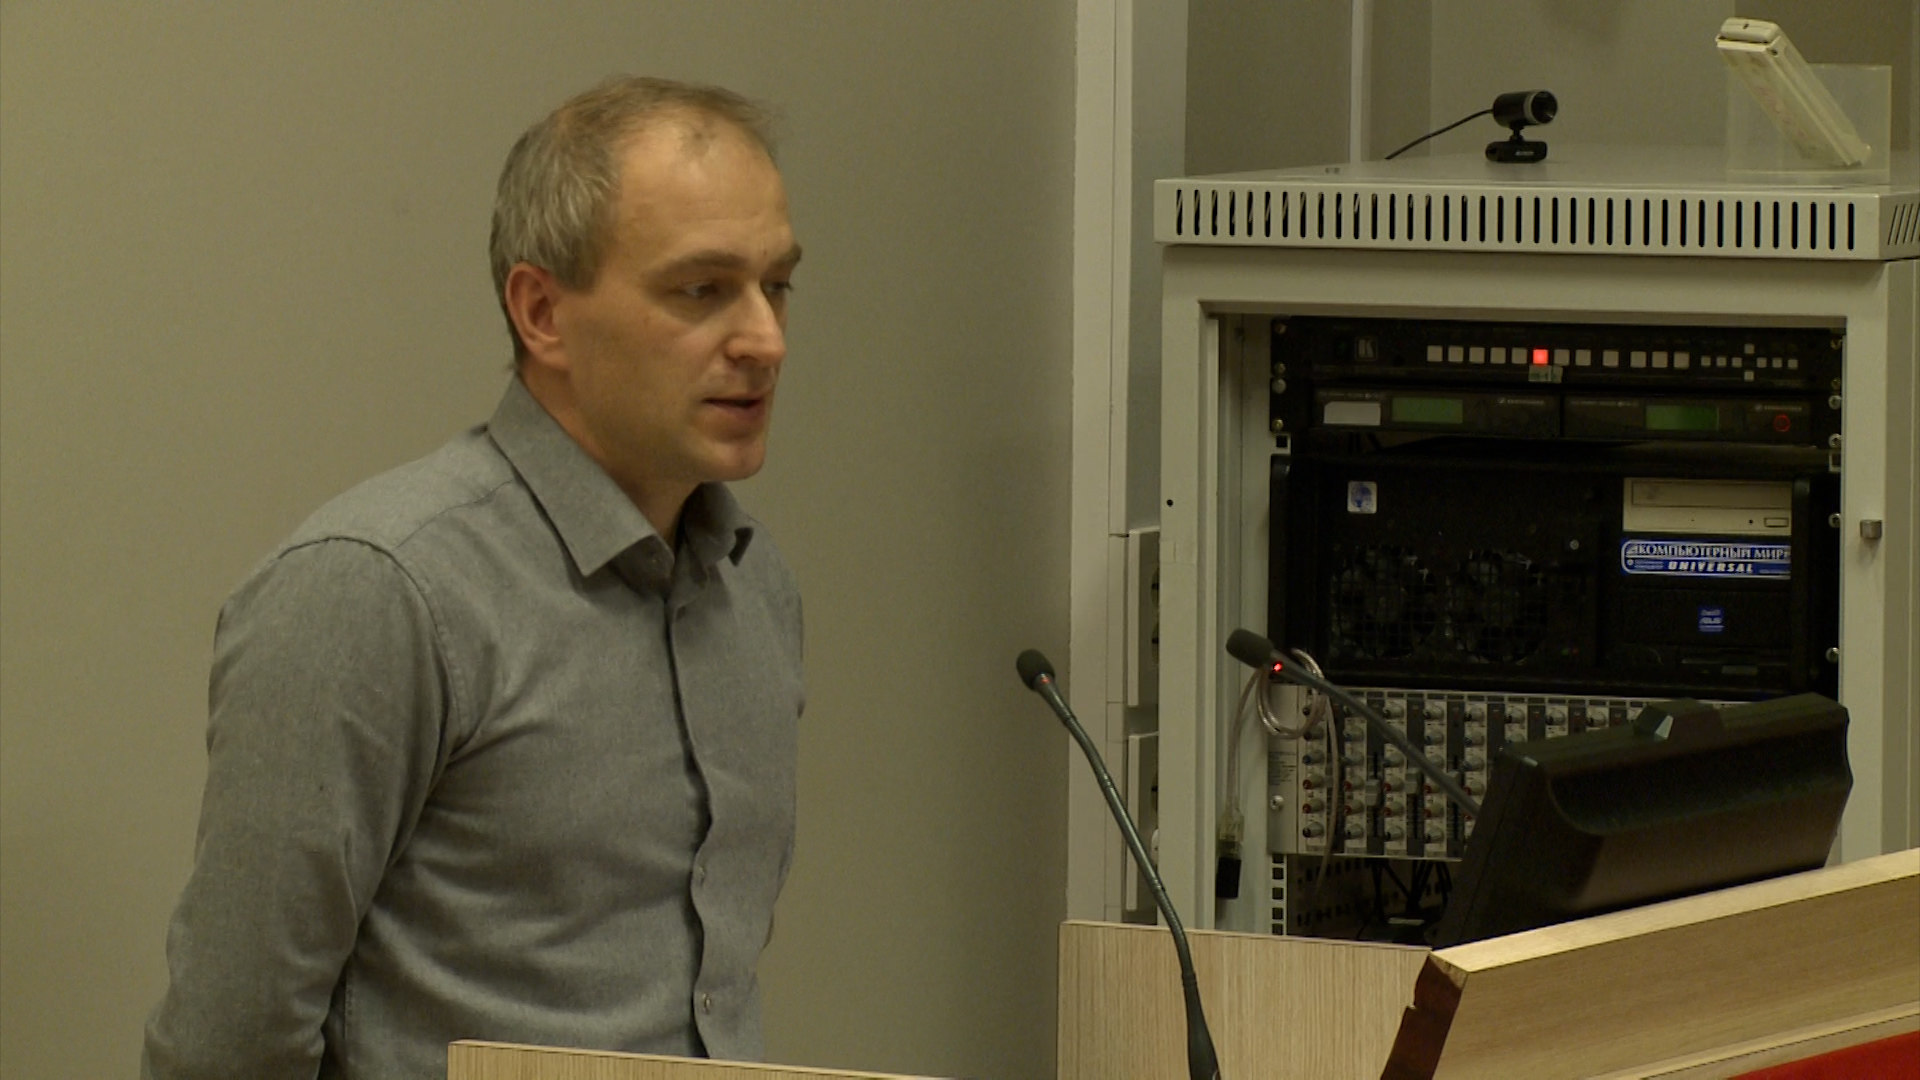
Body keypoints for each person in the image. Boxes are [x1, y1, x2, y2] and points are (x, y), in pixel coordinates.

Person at [143, 76, 805, 1079]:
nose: (765, 339)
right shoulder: (377, 589)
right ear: (542, 313)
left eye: (778, 285)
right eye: (701, 290)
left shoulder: (755, 590)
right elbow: (226, 1047)